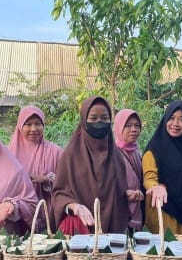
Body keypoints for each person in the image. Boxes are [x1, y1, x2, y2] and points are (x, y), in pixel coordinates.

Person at [51, 96, 129, 235]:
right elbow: (59, 194)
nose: (99, 122)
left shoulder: (116, 156)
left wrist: (129, 194)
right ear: (83, 121)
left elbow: (121, 193)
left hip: (112, 231)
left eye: (105, 118)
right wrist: (74, 206)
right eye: (93, 118)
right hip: (80, 232)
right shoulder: (71, 155)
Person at [142, 100, 182, 236]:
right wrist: (156, 187)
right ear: (165, 119)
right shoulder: (154, 150)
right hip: (164, 211)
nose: (175, 124)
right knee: (166, 253)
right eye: (172, 118)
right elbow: (149, 178)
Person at [8, 105, 63, 207]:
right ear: (20, 126)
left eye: (38, 124)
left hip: (49, 212)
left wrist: (47, 179)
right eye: (28, 124)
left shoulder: (56, 152)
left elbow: (67, 182)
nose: (33, 129)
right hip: (18, 215)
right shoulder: (9, 155)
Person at [113, 109, 144, 231]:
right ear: (119, 127)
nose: (134, 130)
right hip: (120, 213)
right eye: (128, 125)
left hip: (138, 210)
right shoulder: (112, 153)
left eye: (137, 126)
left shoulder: (138, 152)